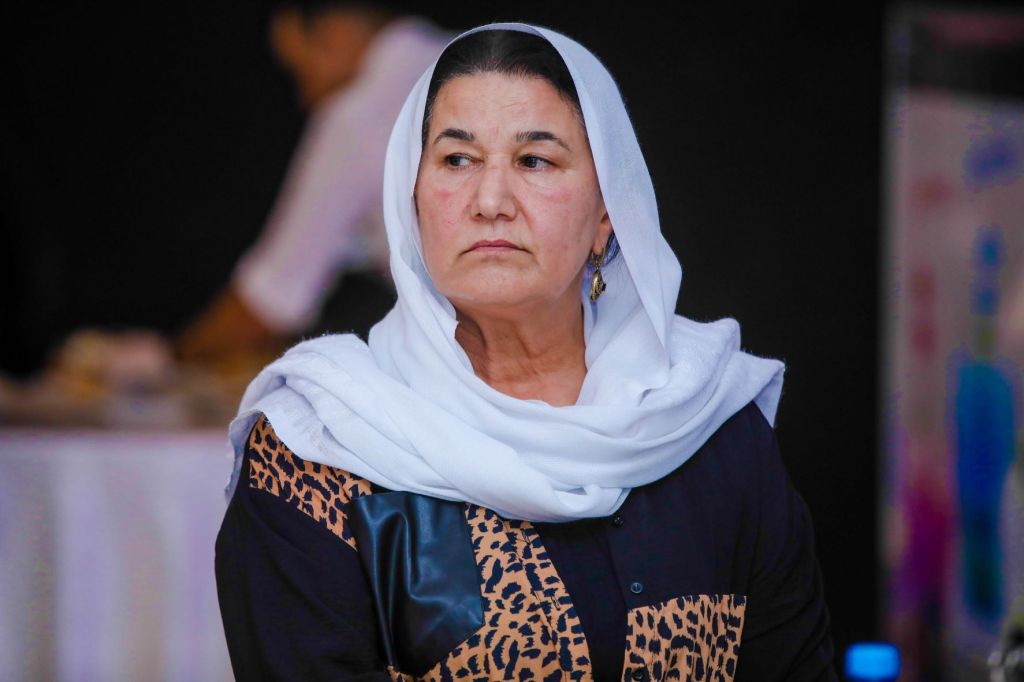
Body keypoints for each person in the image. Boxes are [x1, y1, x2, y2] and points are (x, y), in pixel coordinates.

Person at [215, 23, 838, 681]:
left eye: (535, 161)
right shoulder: (319, 452)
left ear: (607, 214)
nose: (491, 202)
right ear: (411, 200)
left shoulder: (707, 424)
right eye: (457, 160)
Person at [175, 2, 449, 362]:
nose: (306, 97)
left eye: (301, 69)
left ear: (335, 31)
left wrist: (171, 359)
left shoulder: (360, 114)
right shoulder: (476, 54)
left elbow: (273, 301)